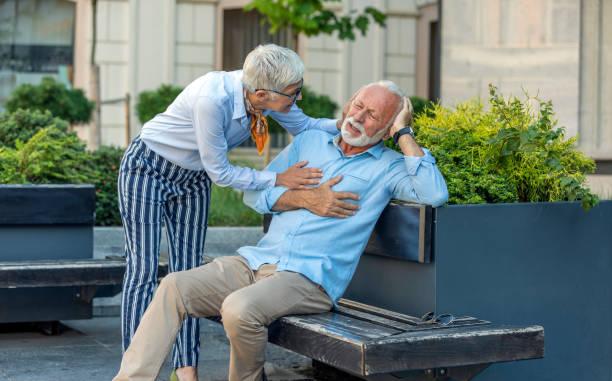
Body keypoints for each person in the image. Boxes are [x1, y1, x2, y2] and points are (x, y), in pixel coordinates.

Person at [113, 81, 448, 381]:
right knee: (174, 286)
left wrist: (405, 135)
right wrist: (304, 199)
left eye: (373, 115)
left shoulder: (387, 168)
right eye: (358, 105)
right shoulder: (310, 142)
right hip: (256, 262)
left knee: (240, 309)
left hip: (307, 277)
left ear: (389, 127)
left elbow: (434, 193)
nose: (358, 117)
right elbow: (255, 193)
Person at [118, 44, 345, 381]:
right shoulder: (213, 99)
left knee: (187, 271)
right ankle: (134, 370)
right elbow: (221, 173)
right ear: (263, 93)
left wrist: (349, 123)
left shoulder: (266, 96)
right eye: (294, 93)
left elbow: (307, 127)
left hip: (192, 178)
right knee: (144, 268)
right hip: (148, 168)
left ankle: (186, 371)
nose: (297, 99)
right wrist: (278, 178)